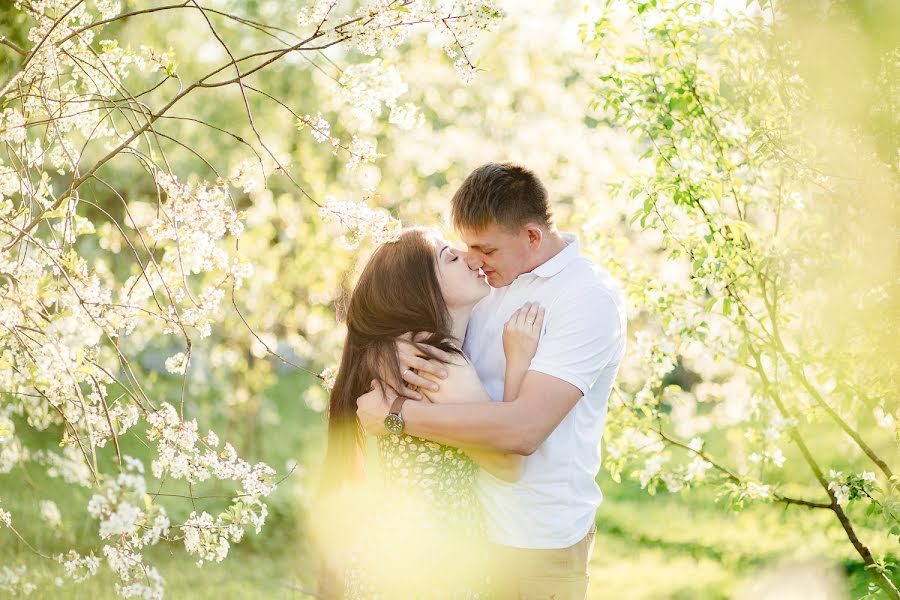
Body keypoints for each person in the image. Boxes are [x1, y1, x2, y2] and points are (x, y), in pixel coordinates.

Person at [356, 162, 628, 599]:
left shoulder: (586, 299)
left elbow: (522, 431)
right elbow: (419, 317)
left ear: (532, 237)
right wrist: (386, 350)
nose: (472, 260)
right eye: (466, 248)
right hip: (469, 535)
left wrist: (398, 416)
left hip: (534, 541)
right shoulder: (487, 282)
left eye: (485, 250)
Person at [316, 226, 545, 599]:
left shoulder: (395, 353)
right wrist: (519, 360)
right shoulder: (439, 366)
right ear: (422, 290)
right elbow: (508, 463)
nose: (470, 258)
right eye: (450, 258)